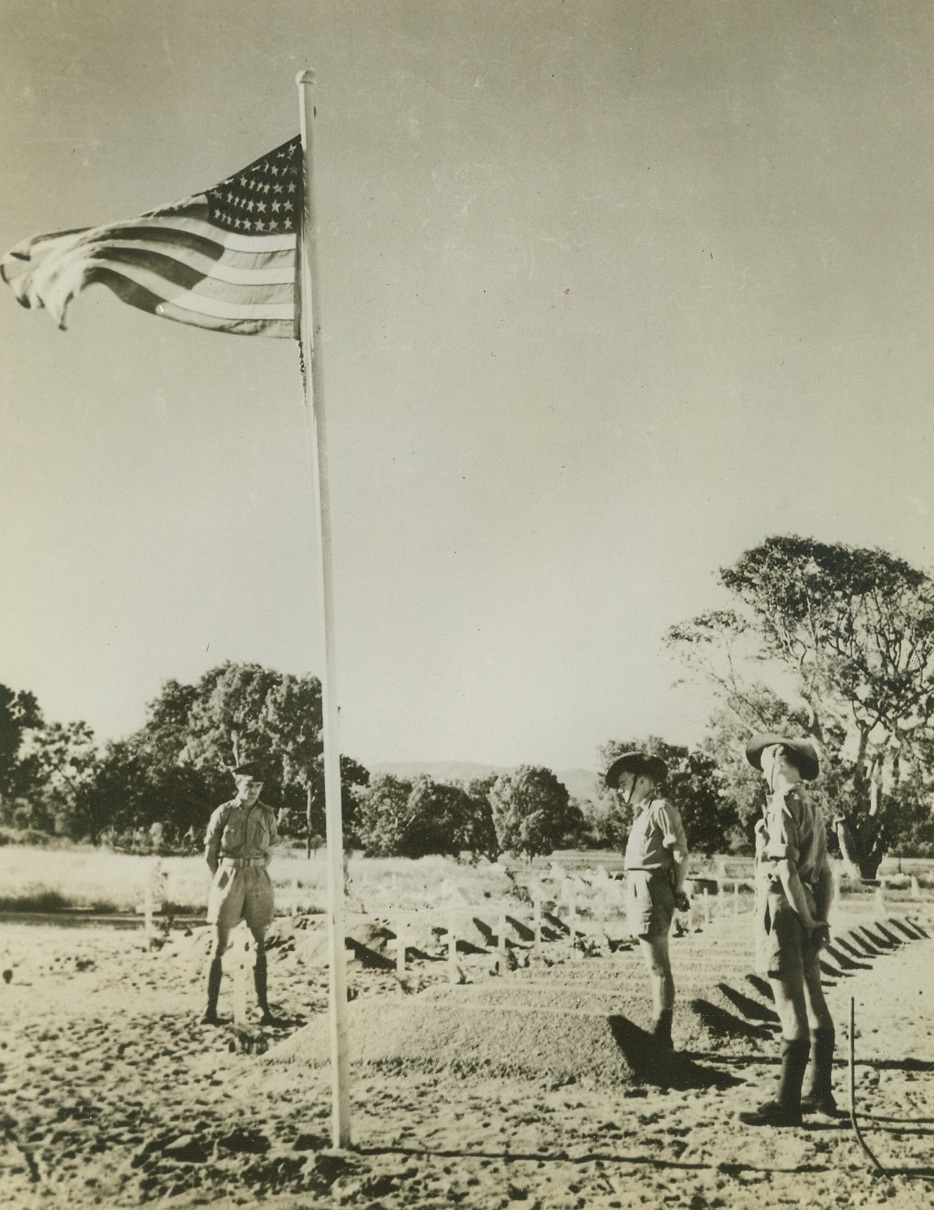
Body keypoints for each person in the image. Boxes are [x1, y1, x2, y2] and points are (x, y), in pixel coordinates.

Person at [739, 733, 836, 1127]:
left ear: (779, 758)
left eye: (764, 762)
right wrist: (819, 918)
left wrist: (806, 920)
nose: (762, 770)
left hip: (783, 910)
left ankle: (786, 1105)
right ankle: (820, 1093)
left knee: (789, 1005)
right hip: (808, 905)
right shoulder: (813, 804)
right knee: (814, 996)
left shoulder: (781, 804)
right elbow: (826, 872)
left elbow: (783, 869)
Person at [606, 750, 690, 1048]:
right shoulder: (644, 813)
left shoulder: (660, 809)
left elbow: (679, 854)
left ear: (642, 781)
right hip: (641, 889)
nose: (620, 789)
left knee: (658, 966)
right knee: (653, 965)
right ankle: (659, 1030)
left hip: (653, 890)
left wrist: (678, 890)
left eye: (624, 781)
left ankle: (661, 1033)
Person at [202, 761, 279, 1026]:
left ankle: (262, 1008)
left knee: (260, 945)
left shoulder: (267, 814)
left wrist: (255, 870)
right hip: (229, 876)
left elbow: (270, 851)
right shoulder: (223, 812)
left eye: (258, 786)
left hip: (258, 879)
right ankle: (210, 1010)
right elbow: (209, 854)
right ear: (238, 785)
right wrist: (221, 881)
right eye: (249, 785)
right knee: (219, 945)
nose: (254, 791)